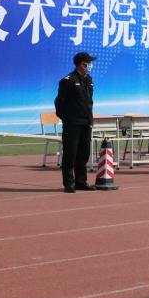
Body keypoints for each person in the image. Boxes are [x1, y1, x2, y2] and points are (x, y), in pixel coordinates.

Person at [54, 51, 97, 192]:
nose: (90, 65)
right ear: (81, 64)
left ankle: (81, 182)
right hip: (72, 123)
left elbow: (88, 101)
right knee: (70, 153)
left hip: (86, 122)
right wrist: (66, 118)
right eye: (88, 63)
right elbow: (59, 102)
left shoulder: (89, 79)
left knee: (84, 154)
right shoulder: (68, 80)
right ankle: (69, 183)